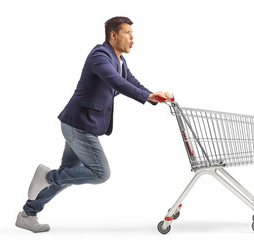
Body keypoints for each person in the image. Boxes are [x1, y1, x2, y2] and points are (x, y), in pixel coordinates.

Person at [15, 16, 172, 233]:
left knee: (69, 174)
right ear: (113, 35)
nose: (132, 37)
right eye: (127, 33)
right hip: (79, 125)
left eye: (132, 33)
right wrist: (145, 97)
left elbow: (130, 81)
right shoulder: (100, 56)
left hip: (82, 124)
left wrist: (151, 95)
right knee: (100, 173)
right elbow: (116, 82)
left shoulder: (119, 60)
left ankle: (28, 214)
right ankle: (47, 176)